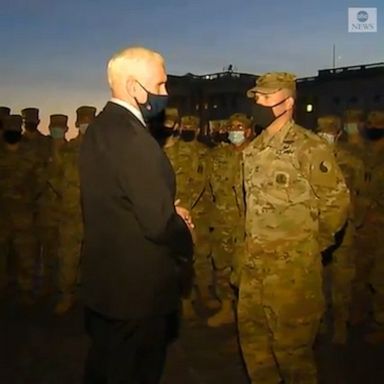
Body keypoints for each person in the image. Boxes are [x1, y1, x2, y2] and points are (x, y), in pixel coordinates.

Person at [79, 46, 194, 384]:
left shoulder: (102, 128)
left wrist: (160, 205)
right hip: (137, 288)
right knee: (133, 371)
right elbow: (158, 224)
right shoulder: (134, 139)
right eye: (159, 85)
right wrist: (184, 230)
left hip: (108, 280)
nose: (165, 93)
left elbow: (118, 196)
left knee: (106, 364)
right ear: (133, 87)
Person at [239, 72, 350, 383]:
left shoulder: (309, 147)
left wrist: (309, 247)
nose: (258, 103)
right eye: (256, 97)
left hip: (293, 272)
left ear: (288, 102)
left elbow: (336, 202)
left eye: (265, 97)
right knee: (255, 347)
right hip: (254, 266)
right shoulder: (253, 149)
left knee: (293, 354)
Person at [207, 113, 253, 327]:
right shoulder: (217, 156)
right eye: (232, 127)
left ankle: (245, 318)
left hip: (247, 225)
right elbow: (207, 188)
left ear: (249, 131)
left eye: (240, 127)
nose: (236, 131)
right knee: (222, 266)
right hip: (222, 221)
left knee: (245, 272)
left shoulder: (258, 156)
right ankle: (227, 309)